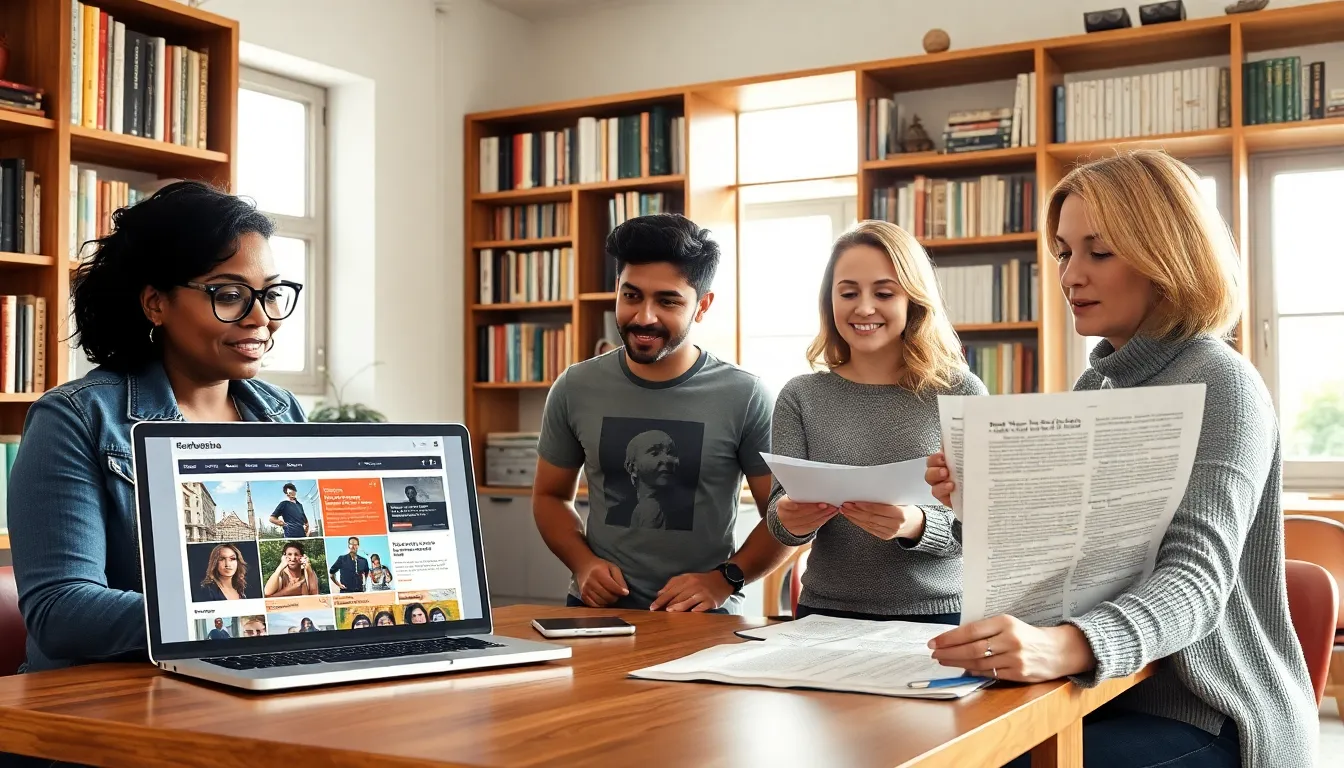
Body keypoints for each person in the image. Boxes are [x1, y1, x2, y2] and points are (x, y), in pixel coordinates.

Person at [922, 151, 1318, 768]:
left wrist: (1066, 647)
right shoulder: (1097, 388)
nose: (1069, 274)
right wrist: (981, 506)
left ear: (1167, 258)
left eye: (1097, 252)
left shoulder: (1224, 384)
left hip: (1210, 711)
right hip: (1104, 693)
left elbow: (1197, 581)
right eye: (1063, 251)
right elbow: (1072, 556)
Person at [7, 180, 305, 676]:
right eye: (230, 295)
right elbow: (60, 611)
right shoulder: (76, 418)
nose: (261, 318)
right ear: (156, 304)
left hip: (255, 673)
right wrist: (241, 618)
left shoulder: (280, 410)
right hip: (108, 707)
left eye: (271, 295)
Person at [533, 213, 790, 614]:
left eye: (667, 301)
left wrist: (725, 579)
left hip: (704, 616)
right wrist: (583, 565)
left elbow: (787, 517)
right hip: (596, 612)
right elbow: (549, 496)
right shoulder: (575, 386)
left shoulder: (746, 395)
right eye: (631, 296)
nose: (644, 317)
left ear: (702, 306)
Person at [767, 220, 986, 624]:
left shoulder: (960, 392)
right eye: (848, 293)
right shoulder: (800, 396)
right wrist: (789, 518)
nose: (864, 308)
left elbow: (983, 526)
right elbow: (780, 522)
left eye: (883, 293)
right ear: (829, 301)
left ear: (913, 301)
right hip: (824, 614)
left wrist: (917, 524)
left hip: (940, 614)